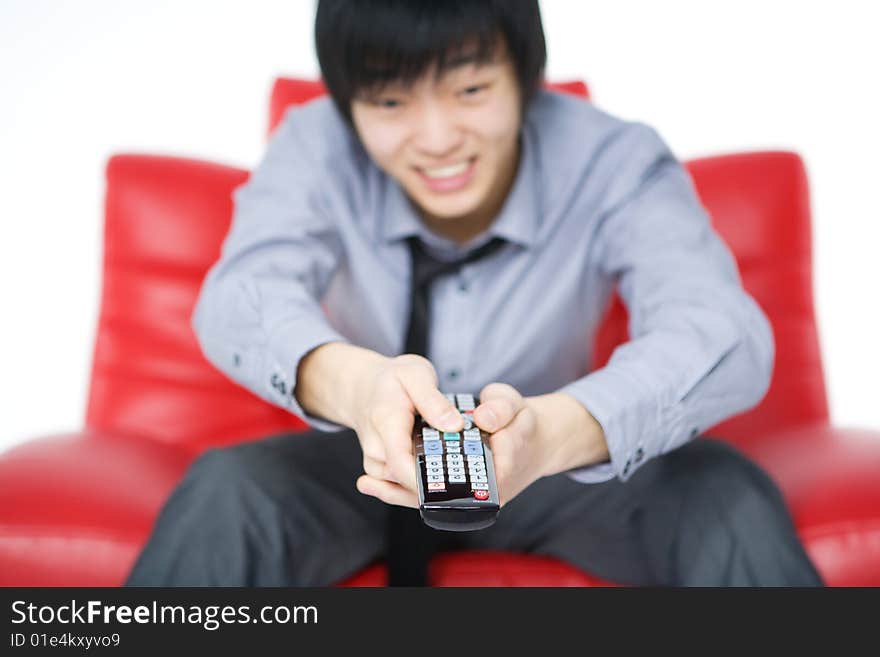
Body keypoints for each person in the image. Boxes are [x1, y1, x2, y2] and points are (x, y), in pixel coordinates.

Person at [124, 0, 823, 587]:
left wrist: (551, 434)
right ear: (347, 104)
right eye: (391, 101)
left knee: (722, 490)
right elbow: (243, 291)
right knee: (227, 489)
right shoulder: (313, 145)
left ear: (526, 77)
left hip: (557, 453)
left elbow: (721, 329)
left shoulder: (614, 158)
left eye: (470, 90)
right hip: (364, 455)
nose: (436, 140)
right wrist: (360, 387)